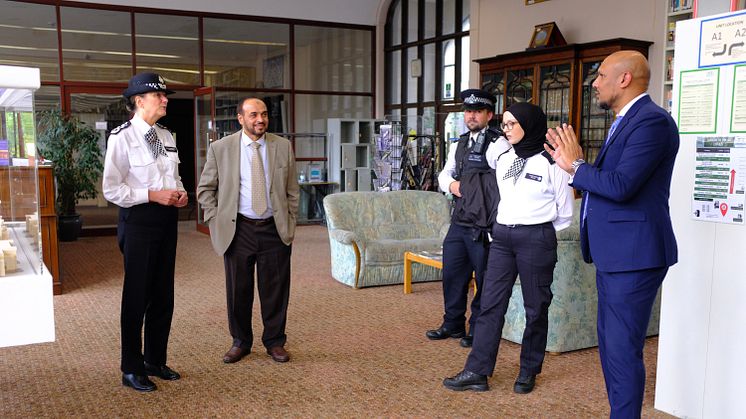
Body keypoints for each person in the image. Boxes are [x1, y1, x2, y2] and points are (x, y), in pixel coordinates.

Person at [545, 50, 679, 418]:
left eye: (601, 75)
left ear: (624, 79)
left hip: (635, 255)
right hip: (617, 254)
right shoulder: (625, 120)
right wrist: (576, 166)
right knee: (613, 347)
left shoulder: (652, 122)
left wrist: (575, 166)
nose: (594, 82)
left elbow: (621, 186)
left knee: (621, 350)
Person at [443, 102, 574, 394]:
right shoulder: (502, 158)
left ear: (529, 124)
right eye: (505, 124)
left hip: (536, 239)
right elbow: (502, 200)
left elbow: (565, 213)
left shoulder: (553, 162)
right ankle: (477, 370)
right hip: (501, 239)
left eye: (513, 124)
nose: (507, 130)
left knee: (535, 308)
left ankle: (528, 370)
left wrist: (535, 232)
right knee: (490, 304)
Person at [102, 72, 188, 392]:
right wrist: (152, 195)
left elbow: (172, 176)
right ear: (139, 101)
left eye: (165, 95)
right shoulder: (121, 137)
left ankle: (155, 359)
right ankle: (131, 367)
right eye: (159, 96)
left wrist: (181, 193)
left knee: (163, 295)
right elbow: (112, 188)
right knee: (137, 295)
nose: (165, 100)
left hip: (167, 220)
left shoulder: (165, 135)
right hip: (138, 221)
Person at [197, 97, 299, 365]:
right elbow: (205, 189)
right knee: (238, 290)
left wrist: (290, 220)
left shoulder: (282, 146)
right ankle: (240, 342)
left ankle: (275, 342)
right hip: (238, 228)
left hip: (273, 229)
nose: (260, 120)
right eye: (253, 115)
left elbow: (291, 191)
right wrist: (215, 219)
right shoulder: (221, 148)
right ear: (240, 118)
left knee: (275, 290)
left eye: (264, 114)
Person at [427, 88, 509, 347]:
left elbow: (504, 182)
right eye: (468, 111)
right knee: (453, 274)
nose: (471, 116)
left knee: (484, 279)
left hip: (484, 224)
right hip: (459, 221)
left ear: (489, 114)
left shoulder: (499, 144)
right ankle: (452, 324)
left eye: (477, 111)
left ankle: (477, 330)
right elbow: (444, 174)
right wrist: (453, 186)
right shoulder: (459, 143)